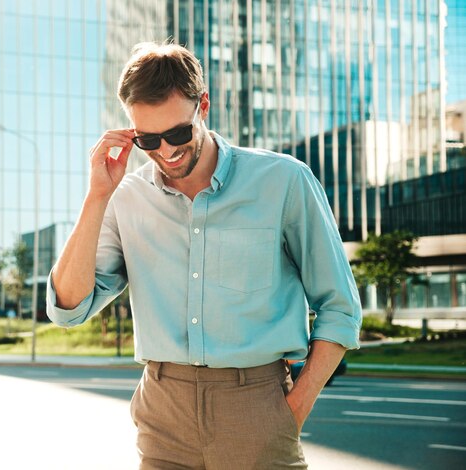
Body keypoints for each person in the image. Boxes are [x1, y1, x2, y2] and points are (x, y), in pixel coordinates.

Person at [47, 41, 362, 469]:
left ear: (204, 106)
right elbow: (69, 309)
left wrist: (291, 411)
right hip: (163, 412)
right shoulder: (125, 197)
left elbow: (340, 306)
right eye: (149, 139)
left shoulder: (283, 181)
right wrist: (97, 195)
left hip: (256, 405)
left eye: (178, 133)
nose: (166, 151)